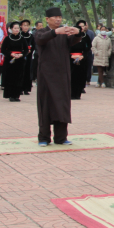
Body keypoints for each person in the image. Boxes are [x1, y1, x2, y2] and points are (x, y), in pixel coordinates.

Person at [34, 8, 83, 146]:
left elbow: (74, 40)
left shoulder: (64, 33)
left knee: (62, 105)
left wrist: (78, 32)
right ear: (47, 19)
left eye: (60, 17)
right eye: (55, 17)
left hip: (62, 74)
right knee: (45, 105)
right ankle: (44, 138)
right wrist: (55, 32)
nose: (58, 19)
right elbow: (41, 40)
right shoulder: (41, 32)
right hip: (46, 75)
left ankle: (61, 137)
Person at [0, 22, 29, 102]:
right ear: (11, 29)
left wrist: (21, 54)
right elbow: (2, 50)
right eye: (15, 28)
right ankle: (10, 95)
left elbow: (26, 50)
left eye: (18, 28)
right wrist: (10, 54)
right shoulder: (7, 38)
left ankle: (17, 95)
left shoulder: (22, 39)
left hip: (19, 60)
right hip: (10, 60)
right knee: (10, 77)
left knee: (18, 77)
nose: (16, 30)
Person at [68, 20, 91, 99]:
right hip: (71, 60)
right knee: (72, 77)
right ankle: (71, 93)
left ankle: (78, 93)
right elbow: (66, 49)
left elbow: (86, 49)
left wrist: (82, 56)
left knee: (80, 77)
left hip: (81, 60)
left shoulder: (83, 39)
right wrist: (71, 56)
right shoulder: (69, 39)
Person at [20, 20, 35, 95]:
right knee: (21, 71)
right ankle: (20, 88)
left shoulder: (31, 36)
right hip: (20, 56)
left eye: (27, 25)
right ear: (21, 26)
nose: (25, 27)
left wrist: (30, 50)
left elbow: (34, 46)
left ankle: (26, 88)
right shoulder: (19, 36)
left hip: (29, 56)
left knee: (28, 72)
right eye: (24, 25)